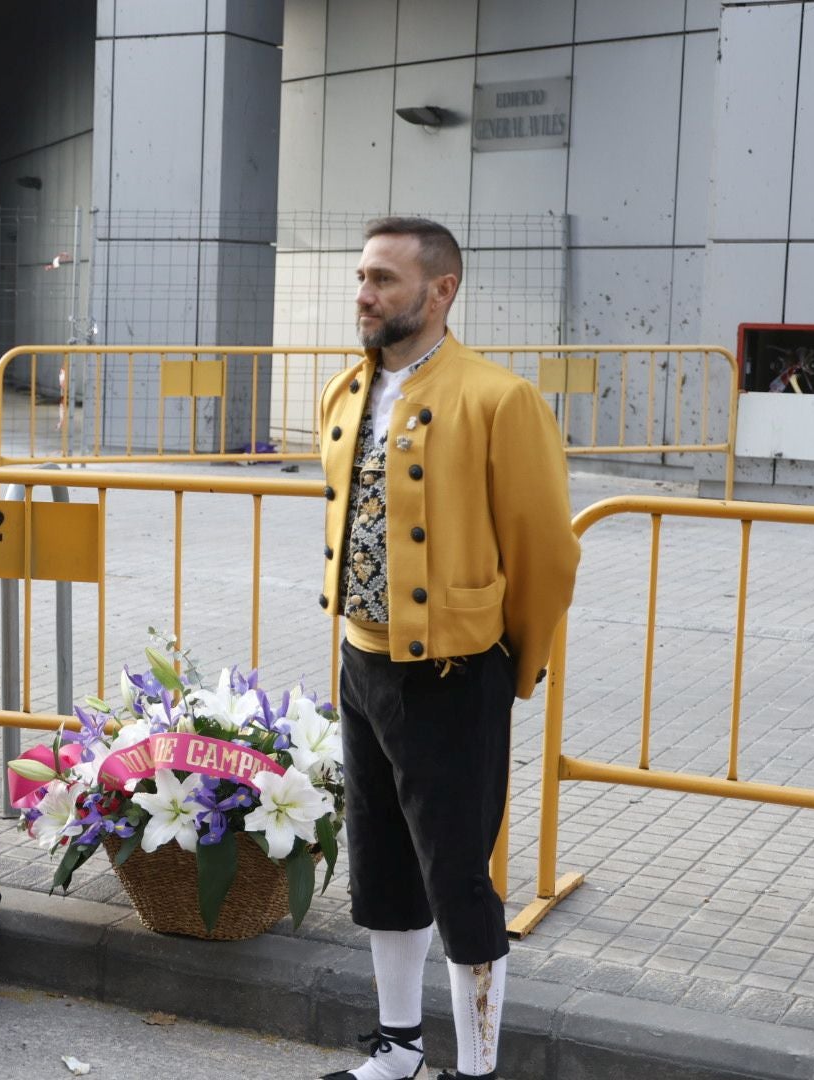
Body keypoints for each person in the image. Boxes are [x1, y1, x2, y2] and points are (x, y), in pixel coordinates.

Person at [317, 219, 580, 1080]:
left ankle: (475, 1071)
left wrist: (514, 666)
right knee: (384, 871)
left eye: (385, 279)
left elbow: (544, 550)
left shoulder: (500, 398)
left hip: (454, 673)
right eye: (361, 276)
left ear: (441, 291)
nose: (364, 294)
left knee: (460, 881)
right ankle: (398, 1050)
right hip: (362, 662)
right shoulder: (344, 391)